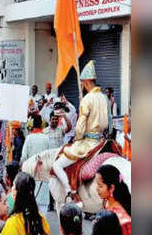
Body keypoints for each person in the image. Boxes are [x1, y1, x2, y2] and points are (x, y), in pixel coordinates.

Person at [53, 60, 112, 206]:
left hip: (87, 144)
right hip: (102, 142)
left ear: (86, 81)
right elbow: (109, 124)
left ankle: (71, 193)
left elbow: (79, 129)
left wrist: (78, 138)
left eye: (81, 83)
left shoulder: (87, 99)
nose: (81, 85)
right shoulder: (104, 98)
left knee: (57, 165)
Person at [95, 165, 131, 235]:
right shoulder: (111, 203)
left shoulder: (118, 216)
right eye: (97, 185)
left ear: (111, 188)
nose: (97, 189)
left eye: (100, 186)